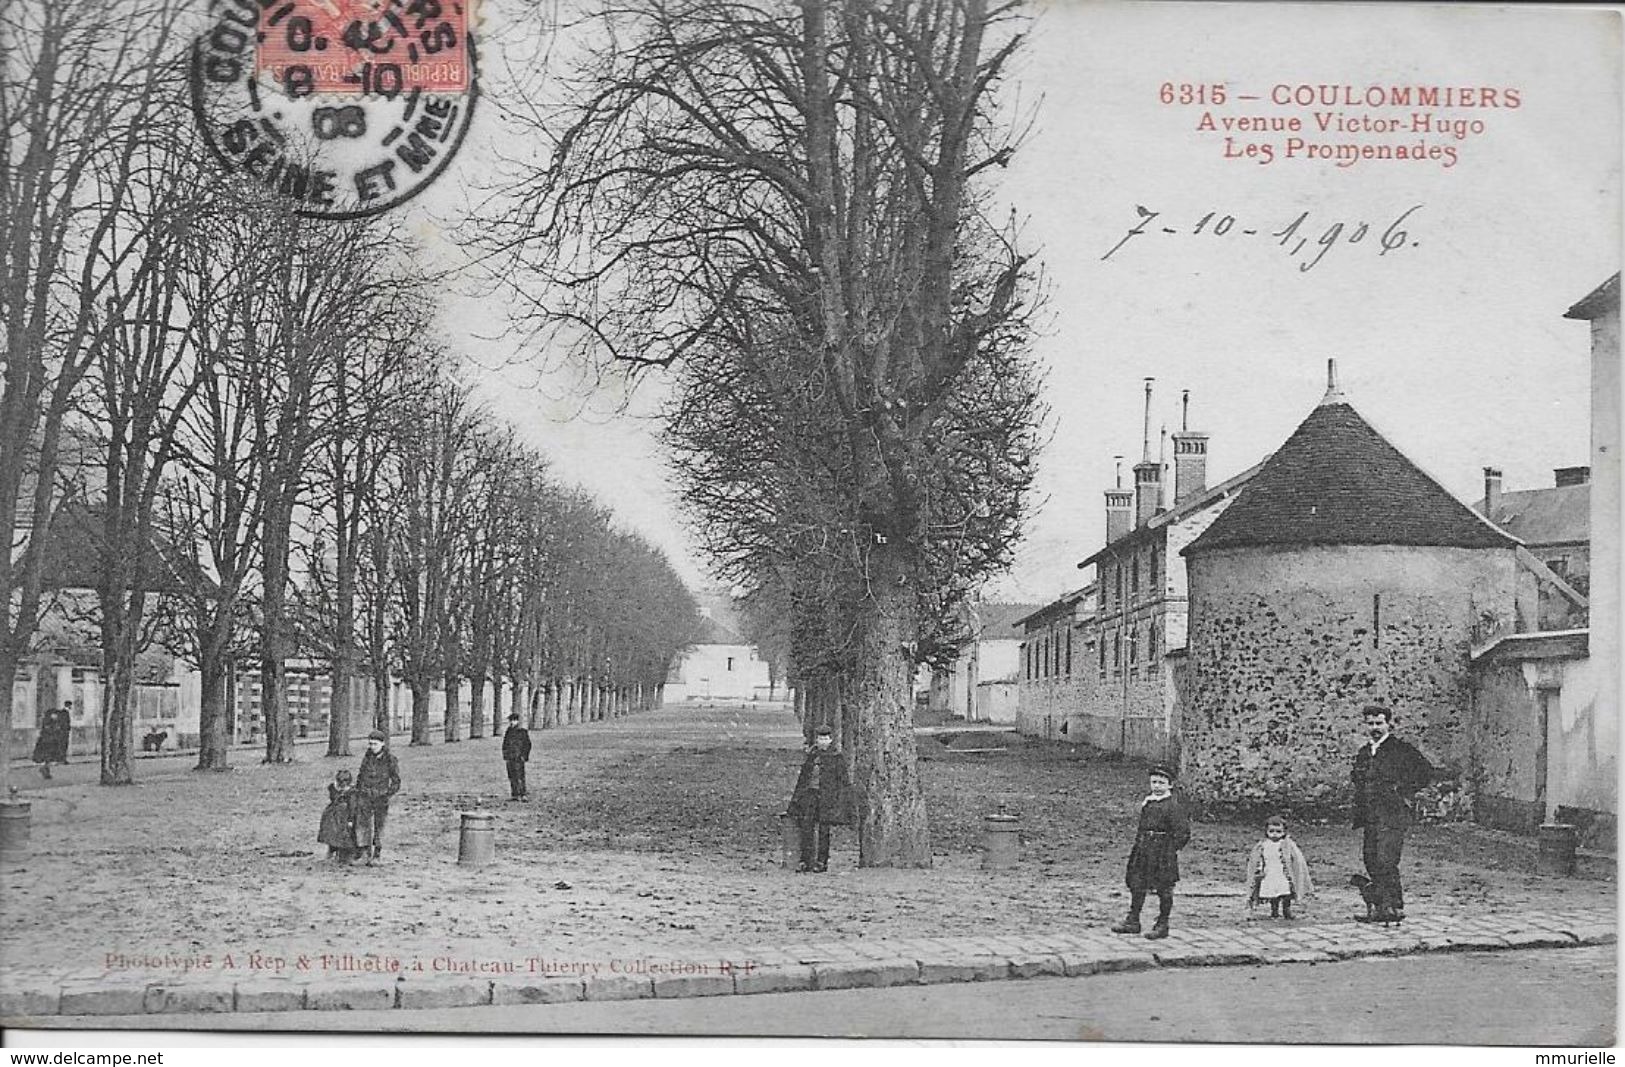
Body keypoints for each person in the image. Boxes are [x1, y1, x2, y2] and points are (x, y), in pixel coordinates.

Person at [1350, 704, 1435, 923]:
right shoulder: (1364, 752)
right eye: (1370, 723)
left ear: (1389, 724)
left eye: (1379, 723)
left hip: (1392, 814)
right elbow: (1357, 779)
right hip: (1370, 815)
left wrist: (1402, 790)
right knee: (1371, 859)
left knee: (1387, 859)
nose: (1375, 727)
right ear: (1365, 725)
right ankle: (1380, 906)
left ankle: (1395, 907)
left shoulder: (1401, 749)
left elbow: (1425, 772)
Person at [1111, 764, 1190, 940]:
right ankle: (1133, 920)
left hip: (1163, 853)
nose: (1157, 786)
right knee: (1137, 883)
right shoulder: (1148, 802)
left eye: (1161, 783)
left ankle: (1162, 924)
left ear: (1170, 785)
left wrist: (1169, 849)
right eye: (1154, 782)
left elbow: (1183, 833)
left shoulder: (1173, 806)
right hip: (1144, 849)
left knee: (1164, 887)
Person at [786, 725, 852, 873]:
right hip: (811, 796)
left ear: (831, 740)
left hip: (827, 798)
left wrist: (840, 799)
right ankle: (805, 860)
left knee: (824, 830)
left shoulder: (836, 758)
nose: (823, 741)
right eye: (821, 738)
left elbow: (843, 781)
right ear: (817, 740)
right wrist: (797, 799)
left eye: (826, 738)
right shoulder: (812, 756)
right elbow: (803, 779)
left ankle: (822, 861)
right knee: (806, 827)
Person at [1245, 814, 1314, 919]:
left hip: (1283, 874)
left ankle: (1287, 911)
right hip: (1270, 873)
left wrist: (1293, 870)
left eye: (1278, 831)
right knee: (1273, 894)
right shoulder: (1263, 845)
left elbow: (1296, 859)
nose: (1274, 834)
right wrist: (1259, 869)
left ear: (1284, 832)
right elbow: (1257, 859)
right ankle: (1274, 911)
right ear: (1266, 832)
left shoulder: (1288, 845)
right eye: (1271, 831)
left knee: (1286, 893)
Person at [355, 728, 401, 865]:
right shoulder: (367, 758)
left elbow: (396, 781)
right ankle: (364, 853)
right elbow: (360, 776)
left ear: (383, 744)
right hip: (365, 796)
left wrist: (387, 793)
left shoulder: (390, 760)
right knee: (362, 824)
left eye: (375, 744)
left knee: (379, 826)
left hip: (381, 798)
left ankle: (377, 855)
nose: (372, 747)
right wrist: (359, 790)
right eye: (370, 744)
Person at [317, 769, 361, 863]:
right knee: (332, 831)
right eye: (340, 781)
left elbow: (352, 807)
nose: (342, 784)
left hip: (346, 817)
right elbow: (333, 798)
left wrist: (350, 820)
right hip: (334, 816)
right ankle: (332, 849)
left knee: (345, 835)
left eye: (345, 781)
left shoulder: (352, 792)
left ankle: (345, 853)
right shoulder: (333, 789)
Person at [31, 703, 71, 779]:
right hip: (47, 742)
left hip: (50, 742)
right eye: (54, 715)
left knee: (48, 758)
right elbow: (48, 731)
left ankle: (45, 770)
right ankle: (45, 770)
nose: (55, 716)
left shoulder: (51, 722)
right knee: (46, 757)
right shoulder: (48, 723)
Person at [501, 712, 532, 801]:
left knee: (520, 776)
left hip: (519, 758)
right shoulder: (508, 732)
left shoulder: (522, 732)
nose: (512, 722)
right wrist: (505, 755)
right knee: (511, 776)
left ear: (517, 721)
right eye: (511, 720)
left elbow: (527, 745)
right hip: (510, 758)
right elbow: (505, 745)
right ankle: (514, 794)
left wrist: (524, 756)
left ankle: (523, 794)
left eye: (514, 720)